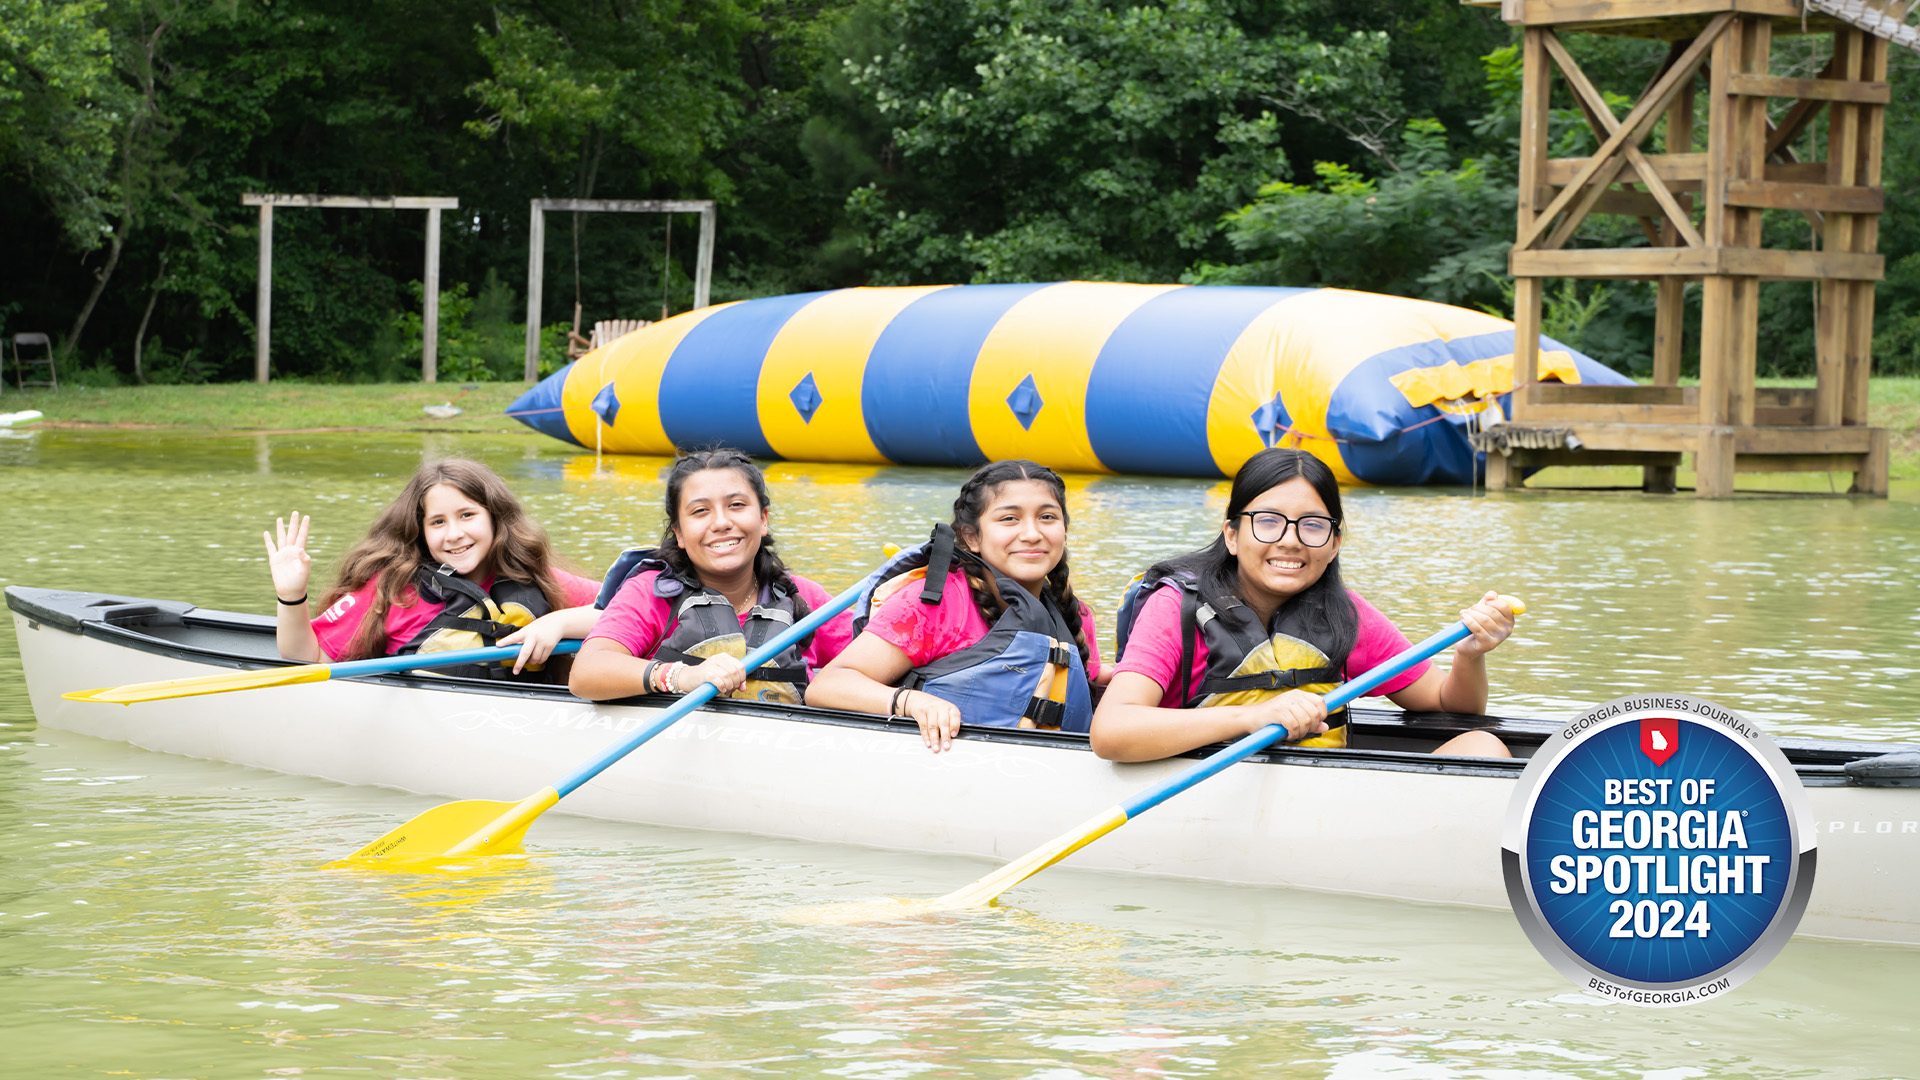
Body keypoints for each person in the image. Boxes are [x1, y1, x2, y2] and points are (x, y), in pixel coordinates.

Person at [1090, 447, 1515, 762]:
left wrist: (1470, 655)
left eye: (1312, 525)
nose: (1290, 540)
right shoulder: (1175, 609)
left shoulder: (1344, 614)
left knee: (1483, 746)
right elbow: (1111, 732)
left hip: (1320, 802)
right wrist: (1251, 718)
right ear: (1233, 535)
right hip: (1203, 790)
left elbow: (1451, 705)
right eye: (1269, 522)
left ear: (1334, 545)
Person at [807, 459, 1107, 753]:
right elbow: (827, 686)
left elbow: (1085, 681)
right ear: (971, 537)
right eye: (1009, 519)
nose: (1032, 534)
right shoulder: (932, 605)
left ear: (1064, 531)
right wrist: (912, 702)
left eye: (1047, 517)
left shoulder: (1072, 614)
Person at [263, 458, 601, 679]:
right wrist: (291, 596)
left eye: (467, 515)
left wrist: (559, 622)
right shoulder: (395, 590)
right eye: (438, 522)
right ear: (421, 532)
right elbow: (305, 657)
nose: (455, 534)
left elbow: (627, 611)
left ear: (495, 518)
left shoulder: (531, 576)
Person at [569, 448, 853, 705]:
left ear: (763, 519)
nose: (721, 523)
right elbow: (585, 673)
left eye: (737, 505)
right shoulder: (651, 592)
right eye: (700, 511)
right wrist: (683, 676)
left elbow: (877, 663)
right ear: (678, 532)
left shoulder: (803, 597)